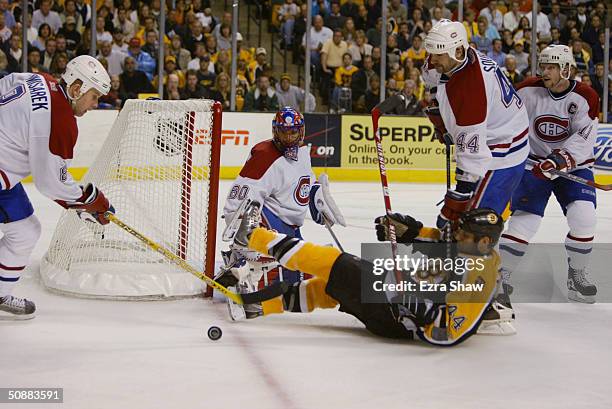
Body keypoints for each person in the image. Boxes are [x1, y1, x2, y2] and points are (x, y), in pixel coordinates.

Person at [229, 201, 505, 346]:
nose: (456, 237)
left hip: (397, 317)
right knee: (331, 288)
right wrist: (410, 230)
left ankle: (253, 236)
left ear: (483, 243)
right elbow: (442, 243)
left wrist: (410, 301)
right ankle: (255, 306)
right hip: (398, 304)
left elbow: (449, 332)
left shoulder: (478, 280)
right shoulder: (476, 252)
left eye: (463, 235)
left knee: (336, 263)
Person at [0, 55, 114, 319]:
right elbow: (51, 183)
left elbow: (5, 83)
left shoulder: (39, 79)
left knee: (26, 230)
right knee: (25, 231)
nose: (95, 104)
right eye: (94, 96)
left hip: (4, 179)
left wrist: (81, 204)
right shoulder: (60, 120)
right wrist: (93, 201)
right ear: (76, 89)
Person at [217, 107, 345, 319]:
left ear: (301, 132)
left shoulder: (302, 152)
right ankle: (244, 269)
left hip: (290, 226)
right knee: (256, 231)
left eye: (293, 132)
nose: (288, 137)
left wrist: (316, 199)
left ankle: (242, 264)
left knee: (300, 277)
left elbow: (304, 182)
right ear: (275, 131)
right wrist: (242, 235)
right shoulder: (264, 155)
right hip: (270, 221)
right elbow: (240, 199)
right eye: (283, 131)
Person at [500, 45, 600, 304]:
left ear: (566, 69)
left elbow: (584, 137)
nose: (545, 71)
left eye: (551, 67)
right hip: (533, 164)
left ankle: (576, 273)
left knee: (584, 217)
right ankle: (501, 275)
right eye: (543, 66)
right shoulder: (526, 89)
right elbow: (506, 117)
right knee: (525, 221)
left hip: (574, 165)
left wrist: (560, 159)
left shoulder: (586, 96)